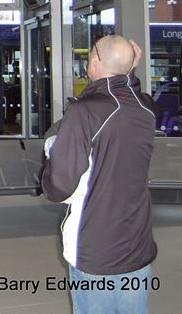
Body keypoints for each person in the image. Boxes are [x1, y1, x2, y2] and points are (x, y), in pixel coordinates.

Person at [42, 36, 158, 313]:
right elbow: (129, 96)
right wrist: (128, 71)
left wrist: (49, 159)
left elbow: (61, 186)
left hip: (95, 246)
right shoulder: (146, 109)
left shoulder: (83, 112)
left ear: (94, 60)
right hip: (138, 245)